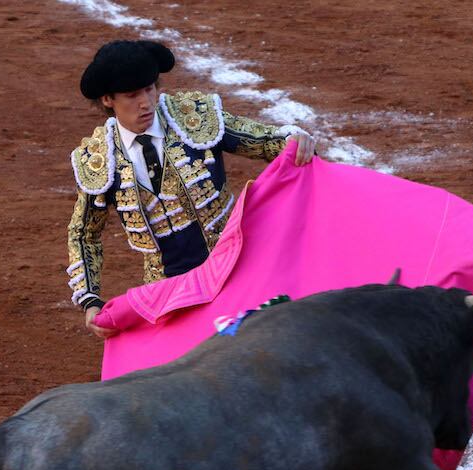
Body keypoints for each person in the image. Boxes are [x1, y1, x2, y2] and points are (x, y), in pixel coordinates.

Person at [65, 40, 316, 337]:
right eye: (132, 95)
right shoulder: (99, 159)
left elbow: (262, 141)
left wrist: (293, 141)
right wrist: (90, 300)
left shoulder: (192, 118)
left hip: (234, 262)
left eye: (150, 89)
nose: (146, 102)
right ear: (108, 100)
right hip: (167, 288)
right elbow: (84, 233)